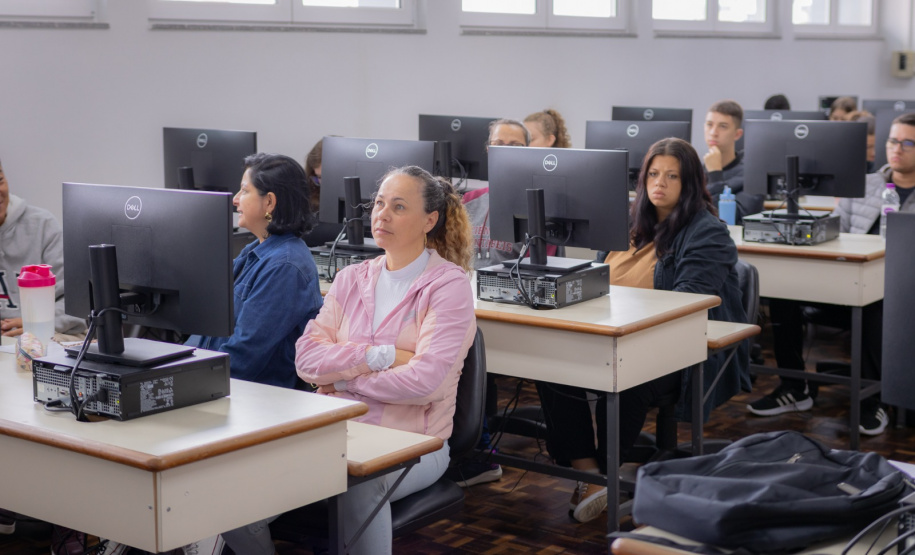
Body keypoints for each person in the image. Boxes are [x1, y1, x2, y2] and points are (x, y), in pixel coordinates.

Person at [221, 165, 476, 555]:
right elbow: (307, 359)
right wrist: (380, 357)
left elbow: (427, 382)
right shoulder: (352, 278)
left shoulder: (448, 286)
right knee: (228, 497)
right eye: (379, 203)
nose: (382, 215)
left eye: (399, 207)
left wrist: (341, 379)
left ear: (430, 220)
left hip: (413, 444)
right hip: (334, 433)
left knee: (360, 483)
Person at [537, 138, 750, 523]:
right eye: (653, 174)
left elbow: (685, 306)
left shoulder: (707, 233)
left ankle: (604, 473)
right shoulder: (628, 225)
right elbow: (599, 283)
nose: (659, 183)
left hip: (675, 350)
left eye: (672, 176)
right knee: (550, 363)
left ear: (690, 182)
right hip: (612, 335)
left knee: (626, 374)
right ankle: (590, 473)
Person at [746, 112, 915, 435]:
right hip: (848, 285)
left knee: (876, 305)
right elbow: (836, 233)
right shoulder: (866, 185)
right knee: (784, 296)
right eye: (894, 140)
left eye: (908, 143)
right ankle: (794, 387)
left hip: (900, 296)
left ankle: (873, 400)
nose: (897, 148)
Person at [186, 153, 323, 389]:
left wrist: (186, 383)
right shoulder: (256, 250)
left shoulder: (285, 267)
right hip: (222, 385)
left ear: (269, 202)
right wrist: (174, 366)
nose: (235, 200)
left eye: (244, 191)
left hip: (254, 398)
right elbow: (208, 332)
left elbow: (244, 354)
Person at [0, 158, 87, 342]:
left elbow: (74, 301)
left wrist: (37, 324)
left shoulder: (43, 226)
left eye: (0, 181)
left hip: (50, 332)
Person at [703, 99, 764, 223]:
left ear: (737, 134)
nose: (713, 132)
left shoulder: (752, 177)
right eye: (709, 124)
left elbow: (731, 221)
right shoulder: (694, 170)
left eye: (723, 126)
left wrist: (715, 175)